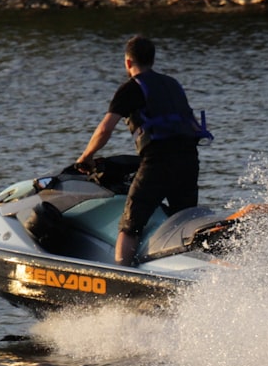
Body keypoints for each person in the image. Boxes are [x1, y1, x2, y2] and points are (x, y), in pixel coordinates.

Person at [76, 36, 210, 266]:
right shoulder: (172, 84)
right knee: (184, 221)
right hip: (189, 160)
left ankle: (122, 274)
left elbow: (105, 129)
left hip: (158, 162)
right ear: (152, 59)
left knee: (130, 225)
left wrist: (85, 157)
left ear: (128, 62)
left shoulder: (132, 88)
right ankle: (193, 269)